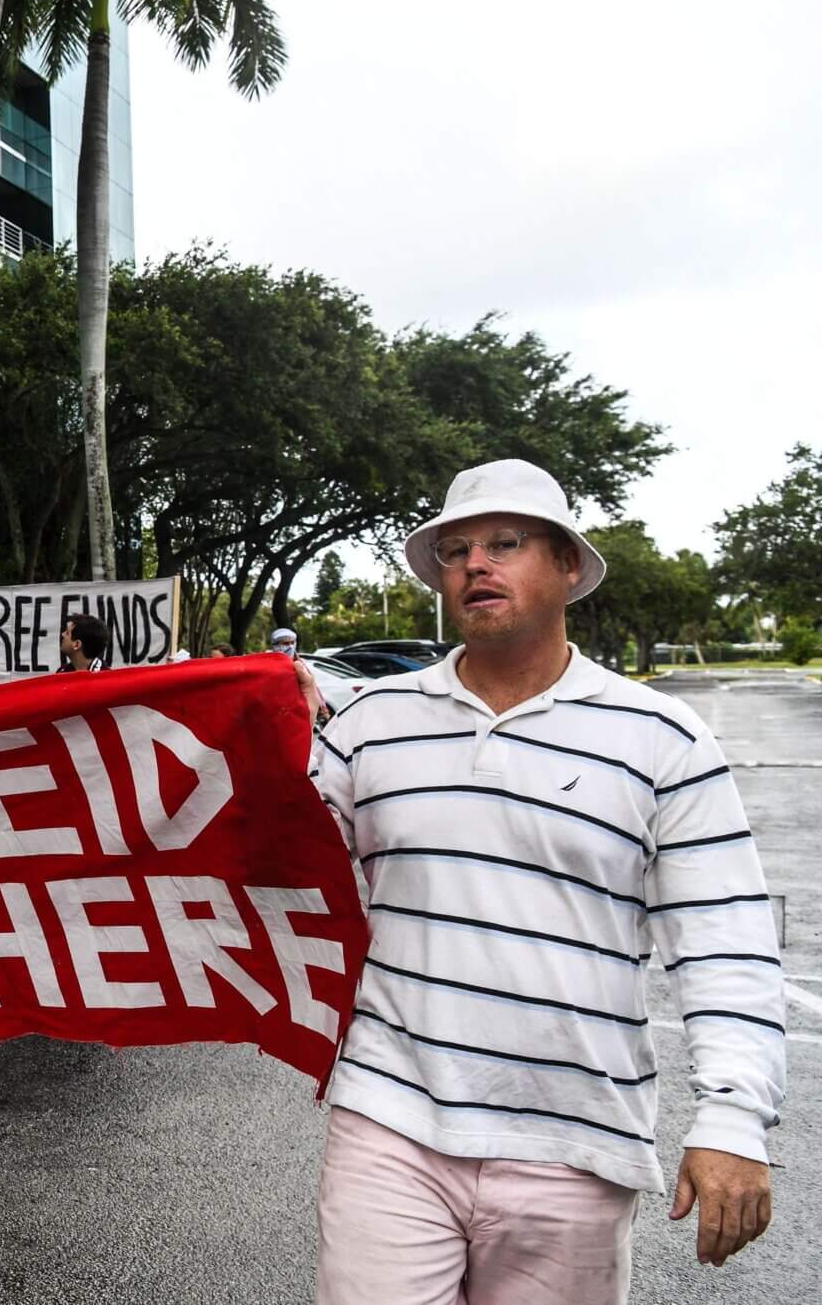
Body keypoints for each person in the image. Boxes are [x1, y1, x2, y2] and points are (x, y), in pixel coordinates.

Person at [307, 459, 784, 1305]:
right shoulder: (369, 726)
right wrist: (255, 714)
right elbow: (268, 861)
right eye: (455, 551)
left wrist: (733, 1118)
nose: (475, 565)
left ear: (568, 565)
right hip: (390, 1119)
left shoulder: (662, 739)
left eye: (505, 543)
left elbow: (726, 941)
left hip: (575, 1141)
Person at [271, 625, 330, 728]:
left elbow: (313, 687)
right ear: (276, 645)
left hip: (300, 713)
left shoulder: (299, 664)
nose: (290, 647)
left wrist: (323, 709)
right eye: (285, 643)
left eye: (292, 643)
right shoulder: (269, 665)